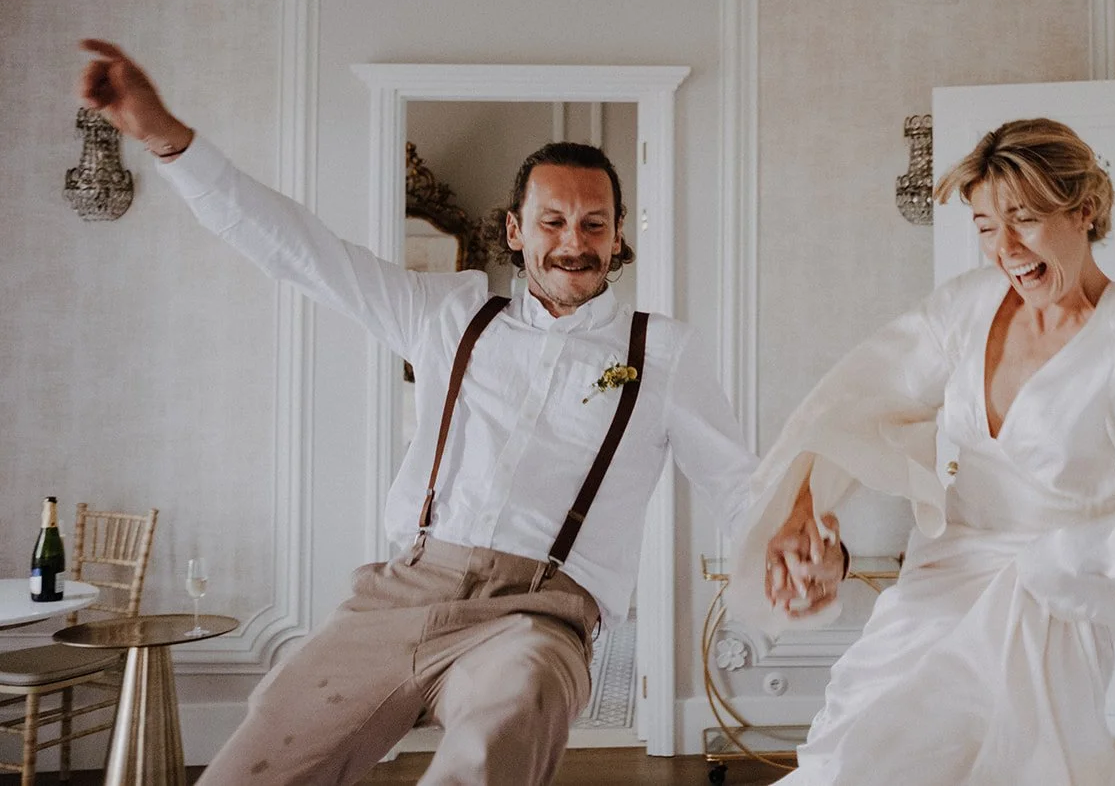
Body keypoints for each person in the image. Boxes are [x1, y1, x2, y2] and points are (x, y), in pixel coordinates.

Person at [74, 39, 846, 786]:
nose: (573, 243)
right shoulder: (448, 314)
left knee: (512, 711)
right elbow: (298, 251)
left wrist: (815, 552)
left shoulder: (665, 352)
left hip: (537, 617)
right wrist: (167, 140)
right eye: (552, 221)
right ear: (515, 229)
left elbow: (747, 489)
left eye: (593, 224)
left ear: (617, 240)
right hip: (401, 591)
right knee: (264, 744)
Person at [734, 117, 1115, 785]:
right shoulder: (970, 305)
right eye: (985, 225)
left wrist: (1079, 550)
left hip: (1048, 603)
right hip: (936, 579)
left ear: (1085, 210)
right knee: (860, 749)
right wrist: (805, 508)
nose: (1005, 248)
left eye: (1025, 218)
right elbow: (858, 397)